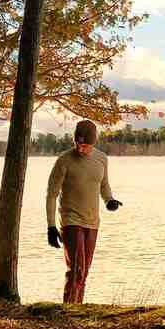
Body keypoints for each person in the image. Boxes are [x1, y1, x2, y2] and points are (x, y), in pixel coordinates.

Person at [46, 120, 122, 303]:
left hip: (92, 221)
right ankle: (69, 309)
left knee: (84, 270)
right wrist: (51, 226)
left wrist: (109, 200)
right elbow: (51, 194)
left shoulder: (102, 159)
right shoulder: (64, 160)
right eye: (77, 144)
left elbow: (104, 185)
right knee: (76, 268)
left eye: (85, 145)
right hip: (71, 220)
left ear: (93, 142)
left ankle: (76, 308)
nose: (80, 149)